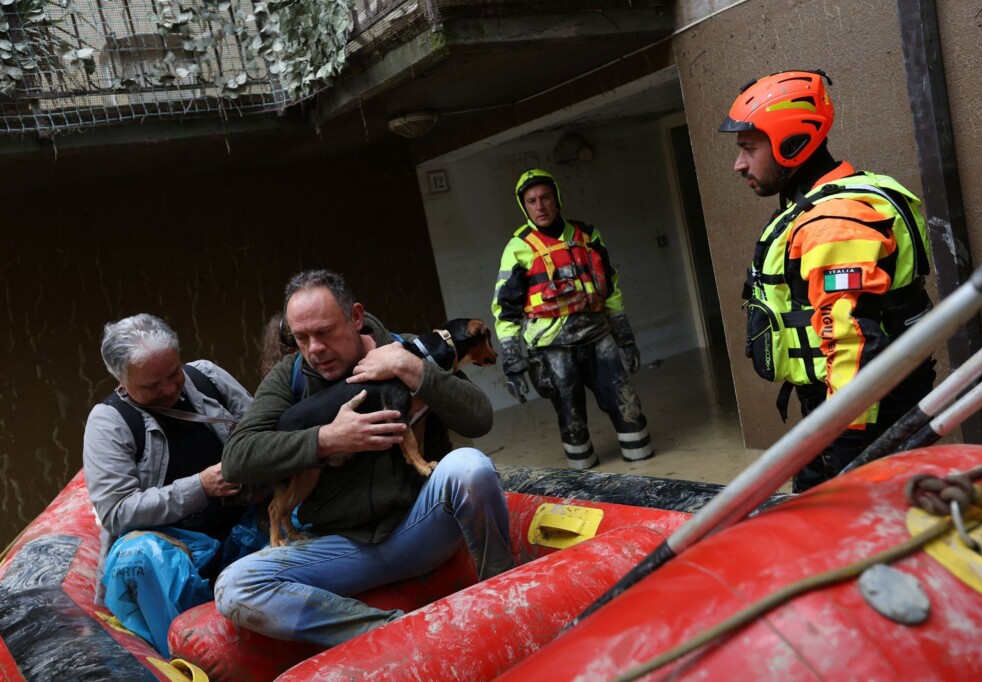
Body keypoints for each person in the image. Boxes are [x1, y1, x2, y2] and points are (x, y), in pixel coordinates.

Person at [214, 269, 514, 647]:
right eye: (301, 338)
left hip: (420, 526)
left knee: (470, 466)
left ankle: (506, 593)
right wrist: (326, 439)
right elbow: (236, 459)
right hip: (338, 548)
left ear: (356, 317)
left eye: (325, 332)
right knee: (234, 585)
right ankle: (395, 633)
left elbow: (480, 419)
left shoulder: (411, 350)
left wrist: (410, 368)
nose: (314, 348)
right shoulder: (289, 377)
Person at [719, 69, 935, 492]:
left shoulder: (833, 223)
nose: (738, 164)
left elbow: (853, 341)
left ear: (791, 142)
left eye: (748, 148)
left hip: (861, 417)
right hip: (861, 405)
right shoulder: (827, 202)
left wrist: (845, 441)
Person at [82, 313, 255, 656]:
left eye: (174, 373)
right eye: (151, 386)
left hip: (238, 524)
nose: (169, 390)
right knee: (143, 556)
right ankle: (184, 651)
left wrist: (255, 479)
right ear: (121, 380)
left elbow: (261, 430)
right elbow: (116, 512)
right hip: (173, 550)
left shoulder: (206, 376)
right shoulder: (109, 422)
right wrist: (201, 487)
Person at [492, 168, 653, 470]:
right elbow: (505, 310)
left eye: (545, 198)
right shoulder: (517, 249)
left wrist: (626, 339)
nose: (540, 206)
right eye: (531, 201)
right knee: (571, 417)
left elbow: (611, 290)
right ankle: (584, 477)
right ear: (524, 206)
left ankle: (646, 467)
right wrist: (513, 365)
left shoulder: (588, 236)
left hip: (598, 336)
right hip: (552, 347)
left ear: (557, 198)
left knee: (626, 402)